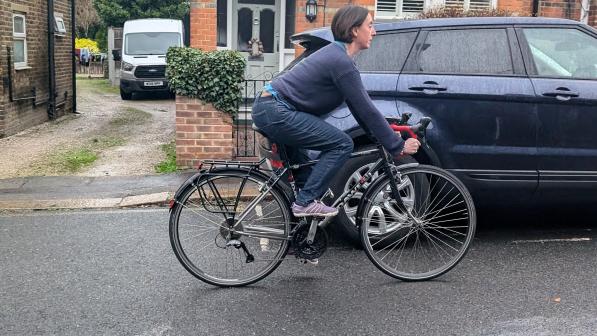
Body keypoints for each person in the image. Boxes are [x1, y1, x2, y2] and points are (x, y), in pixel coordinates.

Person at [251, 5, 420, 218]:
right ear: (354, 30)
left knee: (304, 173)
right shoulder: (340, 62)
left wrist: (381, 136)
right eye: (370, 25)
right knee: (342, 144)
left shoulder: (338, 57)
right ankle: (304, 203)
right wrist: (396, 145)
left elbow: (359, 109)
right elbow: (366, 109)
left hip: (273, 109)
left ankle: (300, 232)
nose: (374, 32)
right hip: (276, 110)